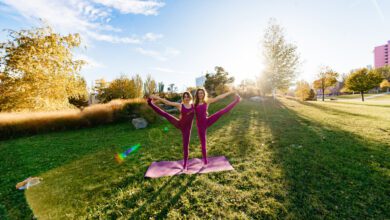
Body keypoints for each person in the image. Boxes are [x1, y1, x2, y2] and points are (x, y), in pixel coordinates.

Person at [147, 92, 194, 170]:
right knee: (165, 114)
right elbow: (167, 102)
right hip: (179, 124)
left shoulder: (193, 106)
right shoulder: (180, 105)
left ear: (190, 97)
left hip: (187, 129)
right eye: (185, 97)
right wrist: (157, 98)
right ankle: (150, 103)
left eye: (187, 96)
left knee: (186, 146)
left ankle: (185, 164)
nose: (186, 98)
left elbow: (201, 106)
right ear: (183, 98)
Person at [194, 88, 241, 165]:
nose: (200, 94)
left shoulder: (207, 101)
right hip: (200, 126)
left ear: (204, 94)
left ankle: (237, 100)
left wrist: (230, 92)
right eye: (199, 93)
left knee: (221, 112)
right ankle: (205, 160)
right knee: (203, 143)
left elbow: (219, 97)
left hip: (207, 121)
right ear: (197, 95)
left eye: (202, 93)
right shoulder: (194, 104)